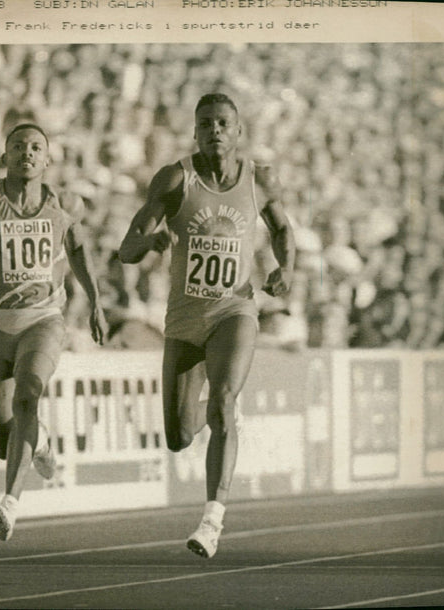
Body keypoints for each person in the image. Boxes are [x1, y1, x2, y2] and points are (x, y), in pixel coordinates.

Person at [118, 93, 296, 559]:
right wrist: (152, 240)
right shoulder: (176, 179)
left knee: (221, 399)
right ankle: (222, 410)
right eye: (205, 124)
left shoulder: (259, 179)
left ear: (238, 132)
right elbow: (125, 249)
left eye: (223, 123)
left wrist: (286, 268)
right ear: (195, 132)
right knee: (178, 436)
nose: (214, 130)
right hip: (183, 321)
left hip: (233, 311)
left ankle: (212, 519)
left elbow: (282, 228)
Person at [0, 123, 107, 541]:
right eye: (17, 146)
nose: (27, 153)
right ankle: (38, 442)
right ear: (4, 157)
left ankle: (9, 503)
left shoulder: (65, 202)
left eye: (36, 147)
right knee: (4, 441)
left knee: (27, 396)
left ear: (48, 159)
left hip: (42, 319)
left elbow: (77, 250)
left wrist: (95, 302)